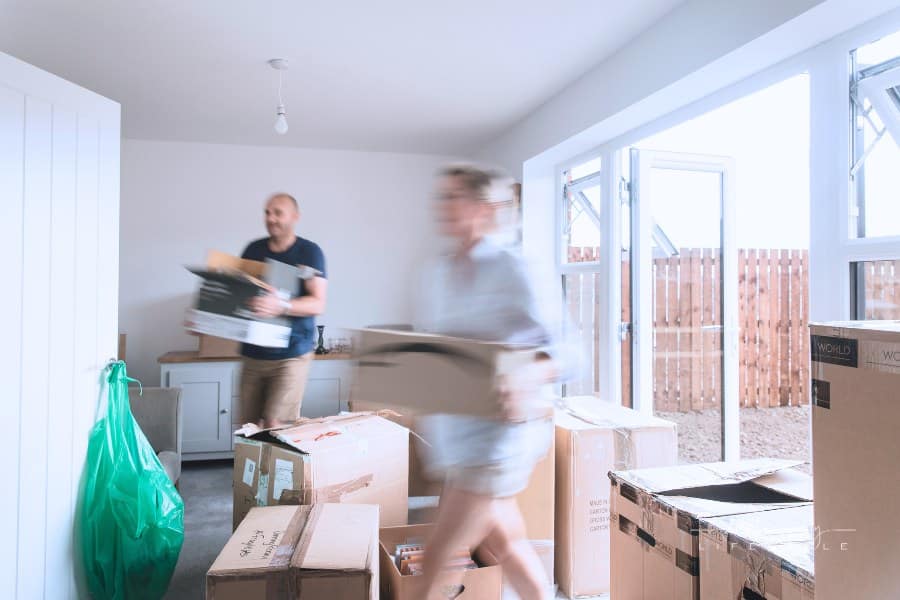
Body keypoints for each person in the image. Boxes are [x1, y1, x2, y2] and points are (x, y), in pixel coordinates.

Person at [415, 166, 559, 600]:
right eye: (441, 197)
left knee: (438, 553)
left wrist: (528, 375)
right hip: (460, 435)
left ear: (480, 208)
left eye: (452, 197)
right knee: (507, 544)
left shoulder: (516, 267)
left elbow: (568, 351)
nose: (442, 206)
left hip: (499, 439)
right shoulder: (438, 273)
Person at [238, 192, 327, 428]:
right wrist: (206, 319)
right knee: (247, 428)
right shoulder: (253, 250)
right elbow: (239, 296)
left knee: (275, 425)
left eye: (278, 212)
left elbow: (318, 302)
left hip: (292, 355)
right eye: (267, 212)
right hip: (253, 354)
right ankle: (251, 467)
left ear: (295, 216)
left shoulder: (309, 253)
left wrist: (282, 306)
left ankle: (279, 466)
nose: (271, 218)